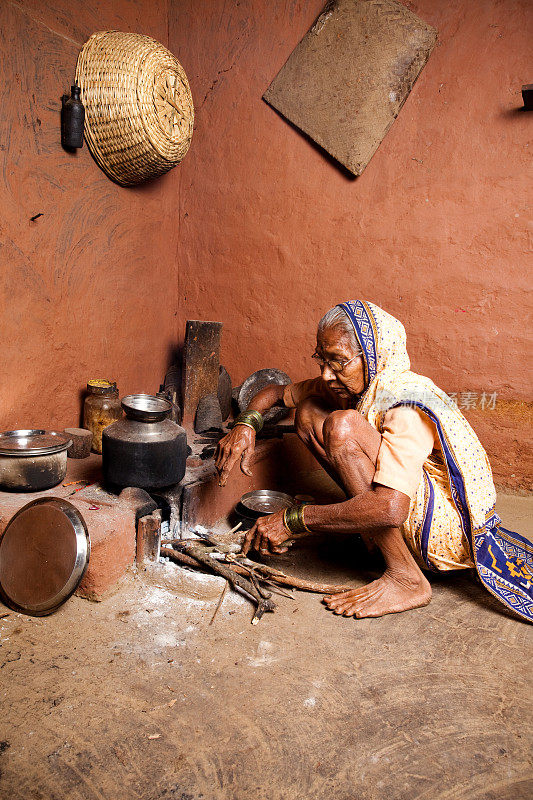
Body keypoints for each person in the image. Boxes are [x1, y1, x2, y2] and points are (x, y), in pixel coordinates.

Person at [215, 300, 533, 621]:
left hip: (443, 534)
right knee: (311, 412)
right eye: (321, 360)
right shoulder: (351, 382)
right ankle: (367, 529)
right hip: (403, 507)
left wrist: (294, 519)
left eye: (337, 361)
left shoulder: (404, 402)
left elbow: (392, 509)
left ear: (371, 355)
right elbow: (274, 391)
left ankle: (405, 576)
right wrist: (246, 425)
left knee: (343, 426)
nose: (326, 374)